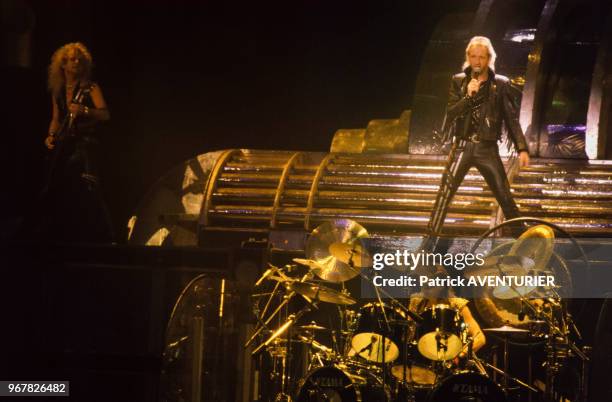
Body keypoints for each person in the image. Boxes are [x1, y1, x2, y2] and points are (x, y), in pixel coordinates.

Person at [426, 36, 530, 249]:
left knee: (504, 195)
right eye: (473, 56)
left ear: (489, 59)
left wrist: (522, 148)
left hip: (486, 148)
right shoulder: (458, 81)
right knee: (444, 196)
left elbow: (511, 118)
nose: (477, 61)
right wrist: (468, 96)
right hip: (462, 147)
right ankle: (428, 246)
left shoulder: (500, 84)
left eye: (481, 57)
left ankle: (527, 243)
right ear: (468, 57)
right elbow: (451, 113)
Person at [42, 42, 113, 242]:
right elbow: (56, 118)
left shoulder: (90, 88)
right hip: (66, 145)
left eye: (79, 60)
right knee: (58, 187)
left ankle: (106, 237)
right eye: (72, 59)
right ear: (62, 65)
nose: (76, 63)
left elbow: (105, 114)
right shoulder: (58, 91)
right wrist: (50, 136)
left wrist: (86, 111)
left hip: (86, 145)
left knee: (90, 188)